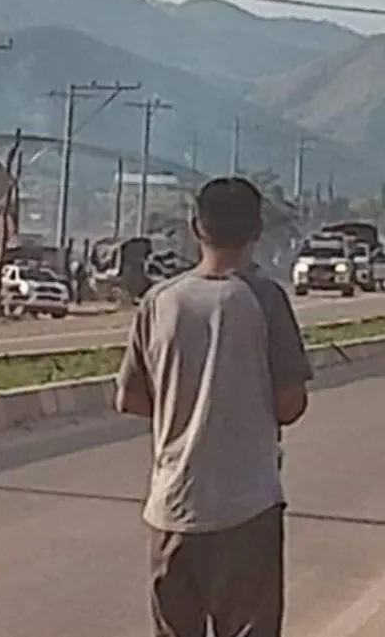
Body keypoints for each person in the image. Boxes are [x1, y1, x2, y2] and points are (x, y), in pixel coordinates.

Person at [115, 177, 312, 637]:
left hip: (172, 510)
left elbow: (129, 398)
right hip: (248, 510)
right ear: (257, 231)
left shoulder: (160, 301)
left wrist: (184, 405)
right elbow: (290, 405)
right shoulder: (266, 299)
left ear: (195, 227)